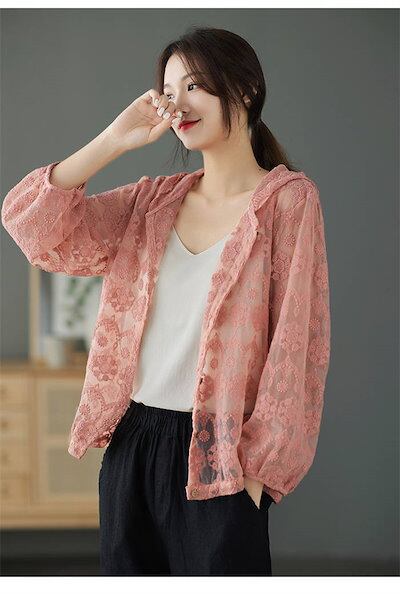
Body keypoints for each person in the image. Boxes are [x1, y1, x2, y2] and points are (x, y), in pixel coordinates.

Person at [1, 26, 331, 576]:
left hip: (221, 458)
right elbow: (31, 225)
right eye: (170, 90)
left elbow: (298, 344)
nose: (178, 104)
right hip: (133, 443)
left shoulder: (288, 202)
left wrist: (257, 477)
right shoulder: (152, 202)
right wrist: (113, 139)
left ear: (246, 89)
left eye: (195, 85)